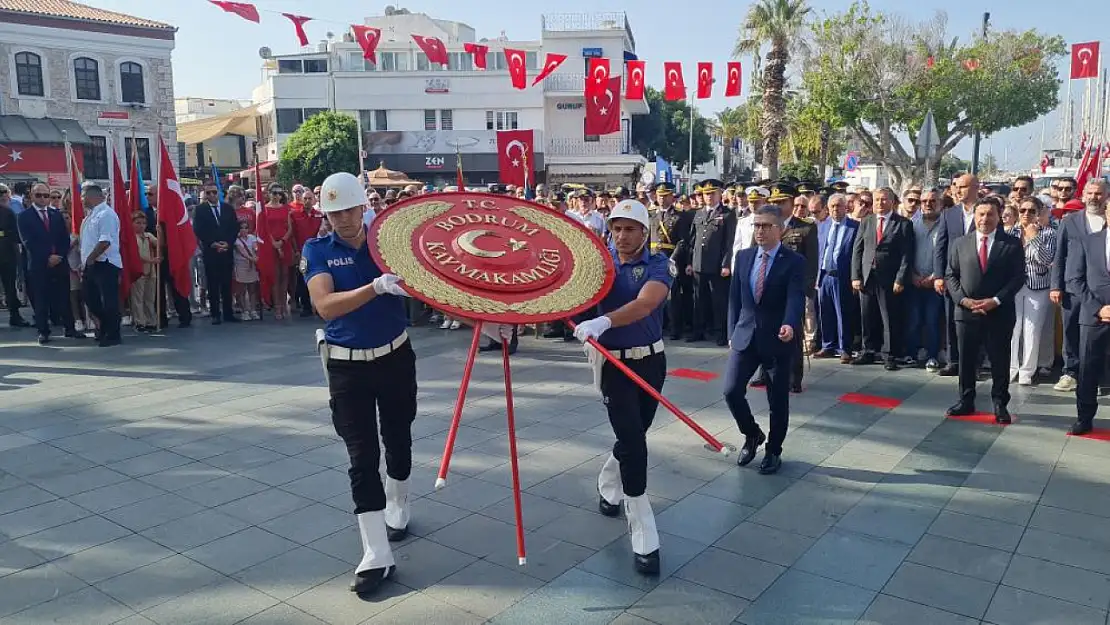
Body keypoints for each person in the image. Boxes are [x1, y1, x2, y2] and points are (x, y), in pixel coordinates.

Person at [301, 171, 419, 596]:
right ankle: (375, 551)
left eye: (350, 209)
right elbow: (325, 306)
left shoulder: (386, 244)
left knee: (399, 438)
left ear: (363, 206)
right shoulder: (316, 249)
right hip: (347, 366)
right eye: (335, 212)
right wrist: (374, 287)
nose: (344, 219)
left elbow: (429, 278)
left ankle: (399, 501)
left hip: (394, 356)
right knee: (361, 455)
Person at [573, 199, 674, 575]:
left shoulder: (658, 264)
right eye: (616, 228)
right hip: (613, 364)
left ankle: (608, 476)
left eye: (630, 228)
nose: (621, 236)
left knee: (636, 433)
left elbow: (647, 303)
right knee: (633, 438)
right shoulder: (599, 268)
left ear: (644, 232)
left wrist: (604, 321)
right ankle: (642, 523)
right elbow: (571, 299)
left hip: (651, 361)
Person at [722, 206, 805, 475]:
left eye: (766, 226)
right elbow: (734, 298)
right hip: (745, 336)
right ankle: (752, 434)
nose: (760, 230)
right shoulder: (744, 257)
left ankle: (773, 451)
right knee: (731, 390)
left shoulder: (793, 261)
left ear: (780, 229)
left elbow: (795, 298)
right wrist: (731, 332)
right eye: (756, 225)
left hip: (777, 339)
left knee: (777, 400)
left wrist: (790, 324)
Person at [944, 196, 1026, 424]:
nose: (985, 219)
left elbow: (1018, 277)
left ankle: (1000, 403)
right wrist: (963, 300)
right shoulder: (960, 243)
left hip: (998, 313)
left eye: (990, 214)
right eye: (981, 214)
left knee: (1000, 360)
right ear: (975, 216)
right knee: (967, 359)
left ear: (999, 217)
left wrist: (996, 300)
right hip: (967, 313)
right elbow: (951, 275)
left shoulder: (1010, 243)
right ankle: (966, 400)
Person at [1051, 179, 1106, 393]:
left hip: (1101, 289)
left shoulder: (1108, 220)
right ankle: (1070, 372)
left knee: (1100, 333)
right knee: (1071, 330)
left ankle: (1100, 375)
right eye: (1090, 193)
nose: (1094, 197)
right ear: (1083, 195)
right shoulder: (1070, 221)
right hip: (1072, 287)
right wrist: (1056, 285)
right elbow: (1060, 254)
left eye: (1099, 194)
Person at [851, 187, 915, 370]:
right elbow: (858, 249)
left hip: (889, 278)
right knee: (867, 316)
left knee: (889, 317)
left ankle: (889, 354)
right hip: (867, 276)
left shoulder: (903, 223)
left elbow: (906, 255)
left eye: (884, 200)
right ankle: (868, 350)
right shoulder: (867, 221)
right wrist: (855, 276)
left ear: (892, 202)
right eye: (877, 199)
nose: (880, 203)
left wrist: (900, 279)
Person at [17, 183, 78, 344]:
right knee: (41, 298)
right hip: (39, 264)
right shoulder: (24, 216)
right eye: (39, 195)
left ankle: (69, 328)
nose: (43, 199)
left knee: (64, 297)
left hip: (59, 262)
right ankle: (43, 331)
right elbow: (28, 241)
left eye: (46, 195)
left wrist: (59, 255)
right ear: (32, 196)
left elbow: (64, 238)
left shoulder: (56, 214)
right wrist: (47, 257)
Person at [1064, 222, 1110, 435]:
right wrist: (1098, 308)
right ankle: (1084, 418)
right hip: (1094, 316)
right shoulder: (1088, 241)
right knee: (1088, 369)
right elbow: (1074, 279)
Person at [934, 174, 980, 376]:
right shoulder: (948, 214)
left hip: (977, 276)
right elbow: (940, 246)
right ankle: (953, 361)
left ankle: (975, 364)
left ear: (975, 187)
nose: (957, 191)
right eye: (956, 187)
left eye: (962, 187)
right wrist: (938, 275)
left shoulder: (986, 211)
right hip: (952, 276)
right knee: (951, 319)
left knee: (976, 321)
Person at [1008, 197, 1056, 385]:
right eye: (1023, 211)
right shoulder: (1010, 232)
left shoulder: (1049, 234)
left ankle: (1027, 371)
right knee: (1013, 329)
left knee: (1032, 330)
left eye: (1031, 211)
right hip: (1013, 287)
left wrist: (1034, 238)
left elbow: (1046, 260)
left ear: (1039, 213)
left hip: (1038, 286)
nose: (1026, 214)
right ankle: (1011, 367)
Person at [687, 179, 736, 345]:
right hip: (698, 263)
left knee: (719, 301)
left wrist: (725, 264)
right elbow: (692, 241)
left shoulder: (728, 214)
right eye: (706, 194)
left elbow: (729, 242)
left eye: (712, 193)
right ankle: (698, 331)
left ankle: (720, 332)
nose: (708, 197)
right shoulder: (699, 213)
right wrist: (689, 262)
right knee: (698, 300)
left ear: (719, 194)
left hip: (717, 265)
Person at [78, 183, 123, 347]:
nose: (81, 200)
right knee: (90, 298)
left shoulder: (106, 214)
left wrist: (91, 258)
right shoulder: (90, 215)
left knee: (108, 300)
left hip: (105, 263)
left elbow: (105, 241)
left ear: (91, 196)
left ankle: (113, 334)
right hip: (91, 264)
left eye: (83, 196)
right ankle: (104, 326)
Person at [815, 193, 858, 363]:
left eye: (838, 206)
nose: (835, 209)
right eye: (832, 206)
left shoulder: (855, 226)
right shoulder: (824, 226)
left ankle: (845, 348)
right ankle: (827, 345)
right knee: (825, 311)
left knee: (843, 312)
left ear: (846, 207)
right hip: (825, 274)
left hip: (843, 276)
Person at [648, 181, 695, 340]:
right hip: (654, 258)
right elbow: (648, 239)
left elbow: (683, 241)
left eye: (665, 196)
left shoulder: (679, 216)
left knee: (672, 296)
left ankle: (675, 328)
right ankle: (658, 326)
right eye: (660, 196)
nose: (662, 199)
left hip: (671, 259)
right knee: (653, 295)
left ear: (671, 197)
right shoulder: (652, 215)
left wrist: (673, 259)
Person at [193, 182, 240, 324]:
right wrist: (211, 243)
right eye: (208, 193)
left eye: (214, 192)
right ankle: (215, 313)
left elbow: (234, 227)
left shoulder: (227, 208)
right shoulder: (200, 210)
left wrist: (228, 243)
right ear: (205, 194)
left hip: (226, 250)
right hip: (211, 251)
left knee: (227, 283)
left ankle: (228, 313)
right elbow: (198, 229)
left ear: (218, 193)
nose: (212, 195)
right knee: (212, 284)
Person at [0, 184, 29, 328]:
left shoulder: (8, 212)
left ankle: (15, 315)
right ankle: (15, 315)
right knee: (9, 286)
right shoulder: (8, 212)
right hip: (7, 252)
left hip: (7, 253)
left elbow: (15, 235)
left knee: (10, 286)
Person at [130, 212, 159, 332]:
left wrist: (159, 231)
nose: (141, 226)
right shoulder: (131, 238)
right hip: (138, 271)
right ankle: (139, 322)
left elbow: (158, 244)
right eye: (138, 223)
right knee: (138, 298)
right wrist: (151, 260)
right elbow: (136, 255)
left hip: (150, 271)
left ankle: (151, 321)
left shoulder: (148, 236)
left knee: (150, 297)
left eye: (143, 223)